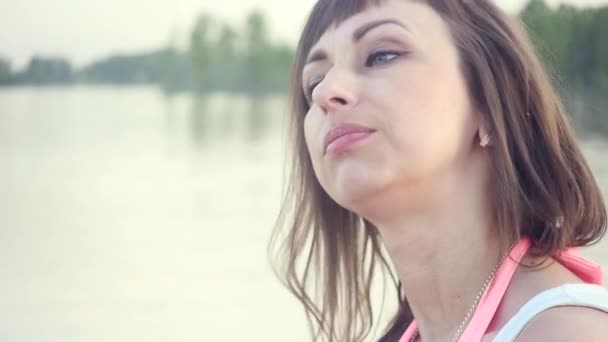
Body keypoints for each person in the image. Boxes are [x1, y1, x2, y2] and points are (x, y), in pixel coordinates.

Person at [267, 0, 608, 341]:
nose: (327, 92)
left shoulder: (570, 331)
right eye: (314, 83)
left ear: (491, 105)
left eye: (381, 55)